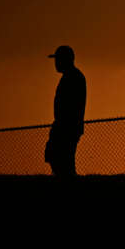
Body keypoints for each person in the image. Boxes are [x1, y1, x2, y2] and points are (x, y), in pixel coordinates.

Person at [44, 45, 86, 176]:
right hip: (65, 126)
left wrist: (63, 125)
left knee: (64, 162)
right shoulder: (71, 76)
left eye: (58, 59)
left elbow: (72, 106)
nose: (56, 63)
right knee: (57, 159)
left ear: (66, 60)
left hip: (67, 127)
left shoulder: (73, 77)